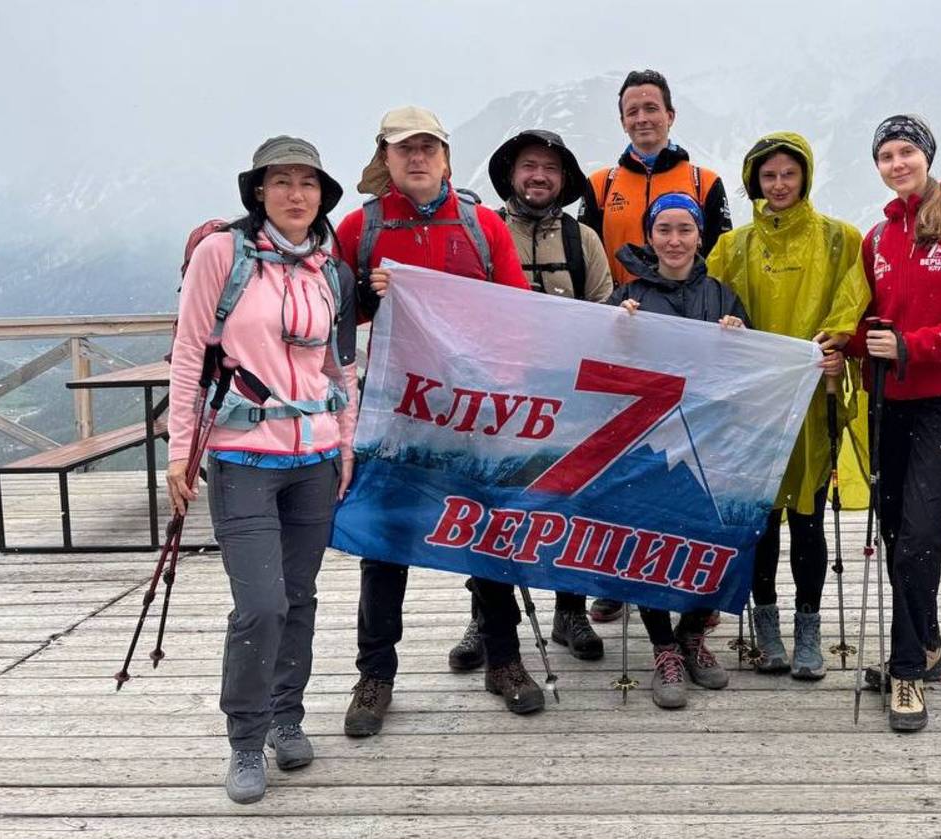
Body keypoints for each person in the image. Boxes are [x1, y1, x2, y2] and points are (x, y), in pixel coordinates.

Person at [332, 107, 545, 731]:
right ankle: (375, 676)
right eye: (405, 149)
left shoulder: (481, 226)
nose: (418, 157)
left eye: (428, 147)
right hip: (395, 414)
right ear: (386, 158)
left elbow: (516, 313)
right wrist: (367, 295)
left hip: (473, 412)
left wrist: (510, 395)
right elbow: (333, 316)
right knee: (384, 542)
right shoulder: (361, 228)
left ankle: (504, 661)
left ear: (446, 156)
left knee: (487, 533)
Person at [168, 136, 358, 803]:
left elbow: (338, 368)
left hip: (314, 461)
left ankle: (287, 716)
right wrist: (180, 451)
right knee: (261, 605)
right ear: (258, 191)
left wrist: (345, 445)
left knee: (299, 597)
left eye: (308, 182)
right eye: (281, 181)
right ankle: (246, 741)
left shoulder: (331, 268)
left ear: (322, 195)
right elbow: (188, 352)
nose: (296, 194)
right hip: (241, 458)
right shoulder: (222, 255)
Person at [828, 114, 941, 733]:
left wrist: (912, 347)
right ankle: (927, 646)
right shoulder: (877, 237)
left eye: (906, 152)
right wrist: (841, 343)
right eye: (886, 155)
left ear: (927, 156)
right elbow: (874, 323)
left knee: (921, 535)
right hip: (887, 402)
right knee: (898, 533)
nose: (897, 163)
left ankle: (906, 674)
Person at [438, 129, 615, 669]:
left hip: (568, 398)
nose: (539, 176)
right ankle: (486, 617)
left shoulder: (584, 239)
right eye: (529, 166)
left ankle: (570, 611)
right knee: (490, 508)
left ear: (564, 180)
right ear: (511, 174)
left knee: (571, 505)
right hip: (498, 396)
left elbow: (604, 313)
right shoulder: (480, 230)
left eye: (551, 169)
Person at [707, 132, 870, 680]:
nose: (779, 185)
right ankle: (767, 626)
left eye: (789, 174)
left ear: (805, 177)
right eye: (769, 175)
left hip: (813, 402)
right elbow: (708, 306)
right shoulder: (734, 247)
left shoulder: (838, 240)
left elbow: (853, 303)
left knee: (808, 518)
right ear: (755, 181)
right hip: (753, 407)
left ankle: (808, 628)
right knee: (762, 521)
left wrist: (838, 343)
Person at [580, 70, 733, 622]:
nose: (642, 118)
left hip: (691, 329)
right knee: (624, 464)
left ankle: (693, 580)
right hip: (627, 328)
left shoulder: (704, 180)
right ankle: (617, 580)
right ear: (622, 119)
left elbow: (720, 256)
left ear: (671, 114)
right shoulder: (600, 183)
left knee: (687, 464)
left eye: (652, 108)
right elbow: (587, 254)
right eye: (632, 111)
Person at [614, 192, 747, 708]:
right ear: (649, 236)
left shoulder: (723, 296)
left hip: (710, 443)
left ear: (699, 236)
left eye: (684, 229)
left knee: (711, 537)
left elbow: (751, 373)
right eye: (663, 230)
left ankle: (692, 635)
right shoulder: (628, 297)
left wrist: (741, 336)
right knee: (647, 542)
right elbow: (598, 361)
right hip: (647, 442)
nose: (674, 240)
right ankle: (663, 647)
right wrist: (613, 325)